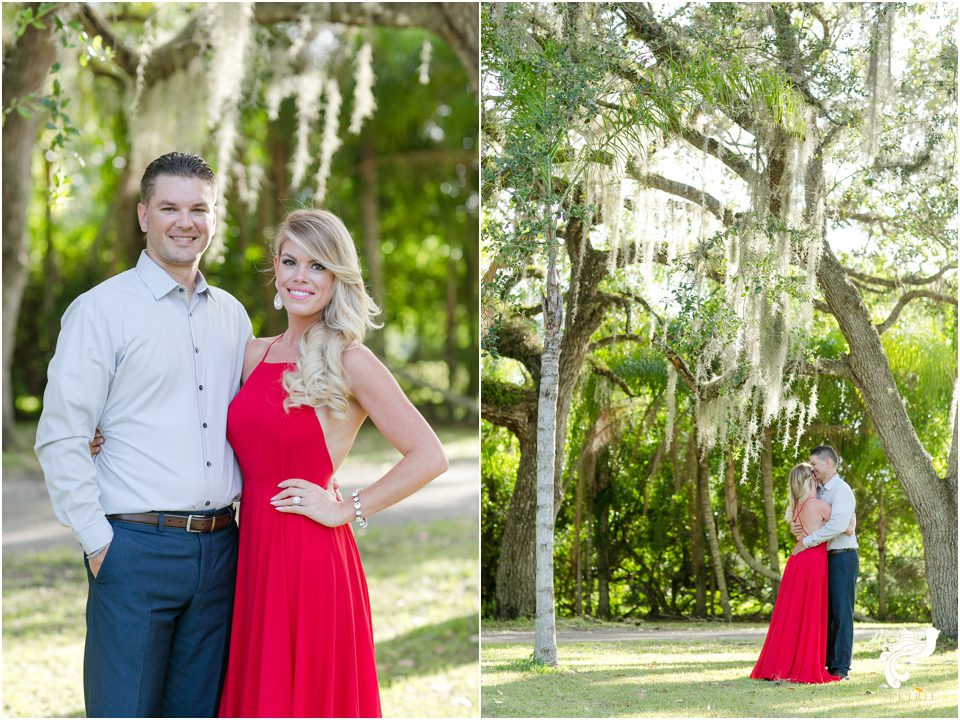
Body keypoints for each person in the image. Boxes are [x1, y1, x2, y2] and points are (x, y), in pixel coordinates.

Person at [35, 152, 252, 717]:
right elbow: (62, 435)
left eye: (198, 208)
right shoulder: (101, 310)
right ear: (143, 216)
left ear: (214, 217)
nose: (186, 221)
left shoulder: (233, 316)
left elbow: (250, 425)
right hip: (133, 549)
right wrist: (97, 540)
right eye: (170, 207)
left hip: (221, 550)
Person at [217, 209, 448, 718]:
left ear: (336, 276)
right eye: (291, 261)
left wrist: (348, 509)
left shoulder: (351, 360)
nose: (301, 276)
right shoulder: (252, 354)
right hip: (250, 555)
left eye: (317, 265)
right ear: (275, 269)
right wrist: (108, 435)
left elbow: (429, 455)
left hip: (311, 559)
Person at [750, 463, 848, 683]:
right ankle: (804, 665)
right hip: (813, 560)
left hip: (796, 561)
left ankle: (779, 664)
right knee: (811, 612)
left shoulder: (796, 507)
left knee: (791, 614)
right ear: (811, 480)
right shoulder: (819, 505)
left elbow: (800, 528)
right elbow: (847, 527)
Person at [793, 444, 859, 679]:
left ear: (828, 463)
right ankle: (825, 662)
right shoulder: (815, 490)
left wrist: (809, 540)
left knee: (842, 612)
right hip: (820, 560)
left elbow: (840, 526)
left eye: (814, 464)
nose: (812, 469)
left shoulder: (842, 491)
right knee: (824, 612)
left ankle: (841, 668)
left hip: (842, 557)